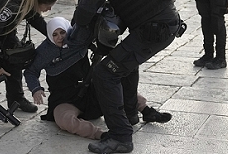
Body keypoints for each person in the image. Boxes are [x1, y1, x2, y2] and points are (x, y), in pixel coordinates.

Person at [73, 0, 180, 153]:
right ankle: (130, 113)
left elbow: (86, 8)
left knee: (105, 73)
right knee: (125, 63)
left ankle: (121, 137)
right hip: (162, 25)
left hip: (154, 30)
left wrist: (73, 33)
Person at [24, 17, 172, 140]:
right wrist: (36, 89)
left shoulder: (77, 41)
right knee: (64, 120)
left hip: (90, 89)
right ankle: (101, 134)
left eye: (62, 32)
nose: (59, 37)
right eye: (54, 34)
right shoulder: (44, 51)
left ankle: (146, 111)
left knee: (117, 87)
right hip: (65, 98)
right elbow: (31, 71)